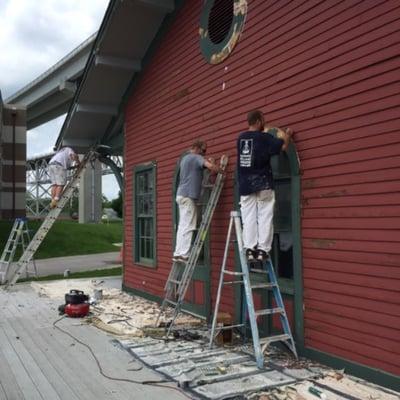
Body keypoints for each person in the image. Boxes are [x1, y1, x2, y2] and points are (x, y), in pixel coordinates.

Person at [237, 110, 292, 262]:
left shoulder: (240, 139)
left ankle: (249, 249)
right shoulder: (266, 138)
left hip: (245, 184)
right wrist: (286, 134)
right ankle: (262, 250)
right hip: (263, 182)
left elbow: (253, 145)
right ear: (259, 121)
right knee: (265, 215)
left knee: (248, 217)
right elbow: (282, 146)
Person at [173, 140, 219, 262]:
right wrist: (220, 170)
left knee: (182, 226)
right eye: (203, 151)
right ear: (197, 148)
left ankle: (178, 252)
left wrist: (206, 163)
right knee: (189, 225)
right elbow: (210, 167)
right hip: (188, 196)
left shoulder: (185, 159)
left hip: (181, 195)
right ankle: (184, 254)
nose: (204, 153)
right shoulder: (196, 157)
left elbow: (198, 169)